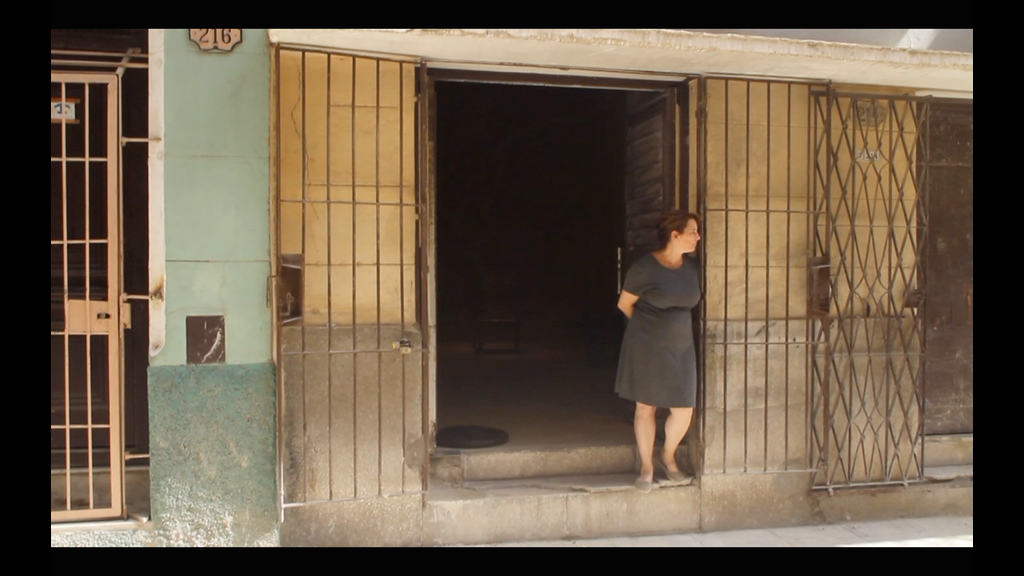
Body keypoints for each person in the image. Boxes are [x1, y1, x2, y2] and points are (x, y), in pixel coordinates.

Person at [614, 211, 702, 492]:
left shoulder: (693, 267)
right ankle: (646, 467)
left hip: (682, 346)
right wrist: (649, 329)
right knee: (646, 406)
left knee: (684, 408)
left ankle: (667, 456)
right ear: (675, 235)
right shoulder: (645, 268)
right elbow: (624, 305)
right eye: (693, 232)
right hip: (647, 343)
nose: (698, 237)